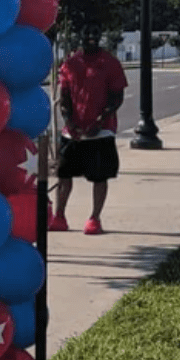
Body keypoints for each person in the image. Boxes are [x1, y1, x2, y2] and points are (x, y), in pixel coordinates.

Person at [49, 22, 128, 234]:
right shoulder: (70, 64)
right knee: (64, 174)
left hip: (100, 133)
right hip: (72, 133)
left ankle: (94, 218)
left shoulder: (110, 63)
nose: (91, 37)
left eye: (95, 32)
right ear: (80, 36)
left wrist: (100, 121)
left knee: (99, 176)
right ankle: (60, 216)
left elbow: (117, 97)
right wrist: (69, 121)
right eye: (87, 33)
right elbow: (64, 97)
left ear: (100, 35)